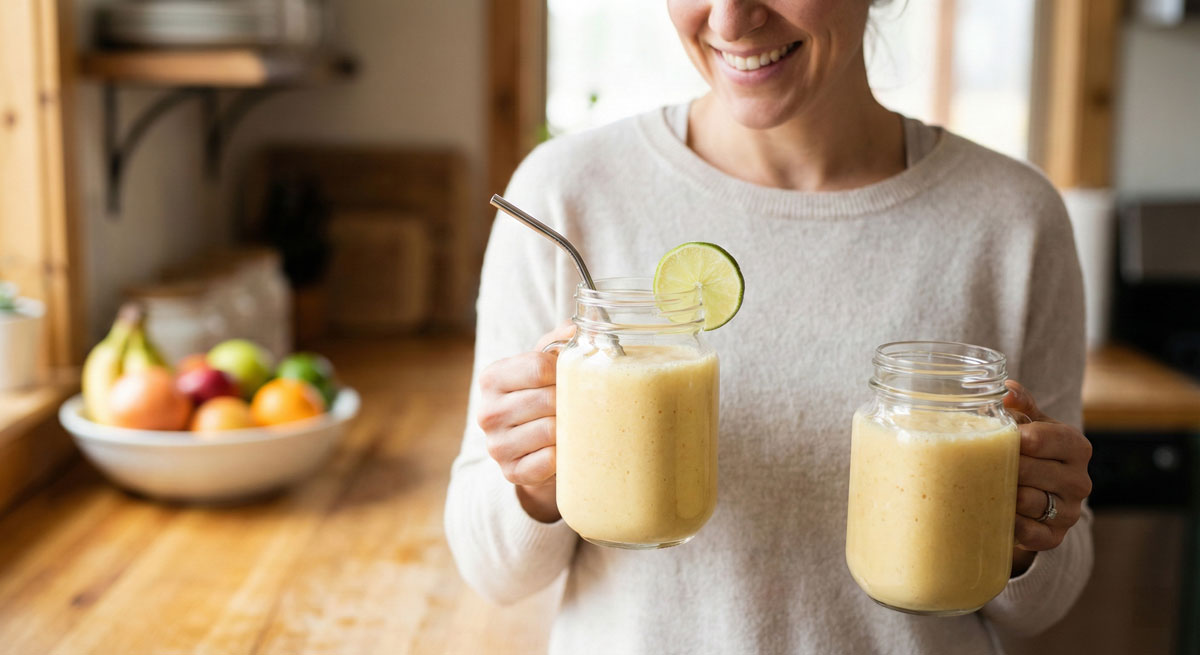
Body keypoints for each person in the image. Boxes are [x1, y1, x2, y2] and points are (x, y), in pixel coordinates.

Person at [445, 1, 1094, 653]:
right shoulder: (565, 194)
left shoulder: (1014, 219)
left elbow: (1044, 603)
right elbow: (491, 568)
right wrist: (534, 485)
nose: (729, 21)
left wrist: (1024, 537)